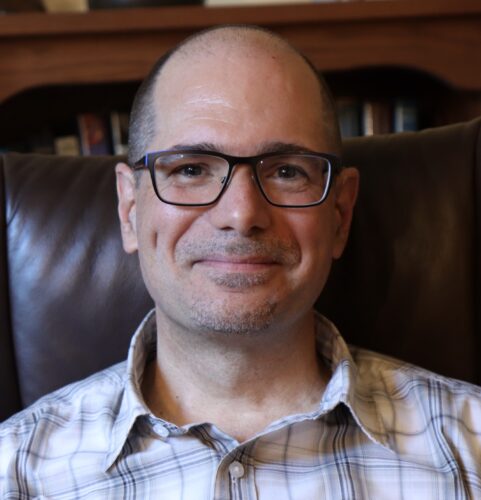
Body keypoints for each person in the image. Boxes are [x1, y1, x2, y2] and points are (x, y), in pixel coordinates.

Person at [1, 25, 481, 500]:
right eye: (191, 169)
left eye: (287, 171)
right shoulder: (15, 471)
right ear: (129, 210)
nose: (241, 214)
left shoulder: (470, 448)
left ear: (340, 214)